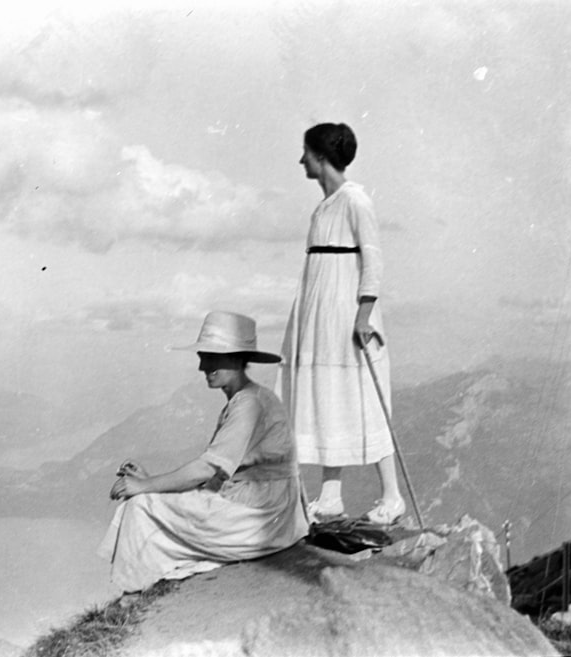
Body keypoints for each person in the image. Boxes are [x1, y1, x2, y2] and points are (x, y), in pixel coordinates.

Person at [97, 311, 308, 594]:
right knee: (149, 499)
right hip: (271, 511)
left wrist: (146, 486)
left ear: (236, 357)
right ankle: (138, 586)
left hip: (261, 517)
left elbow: (207, 470)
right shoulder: (249, 398)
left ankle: (132, 593)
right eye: (203, 356)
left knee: (139, 505)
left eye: (211, 356)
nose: (202, 366)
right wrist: (152, 485)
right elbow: (218, 471)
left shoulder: (249, 405)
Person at [278, 122, 405, 525]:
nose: (301, 160)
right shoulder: (325, 206)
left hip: (346, 316)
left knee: (362, 397)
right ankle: (330, 495)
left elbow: (374, 260)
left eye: (305, 153)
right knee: (326, 396)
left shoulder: (355, 200)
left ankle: (392, 496)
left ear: (319, 157)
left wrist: (364, 316)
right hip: (318, 317)